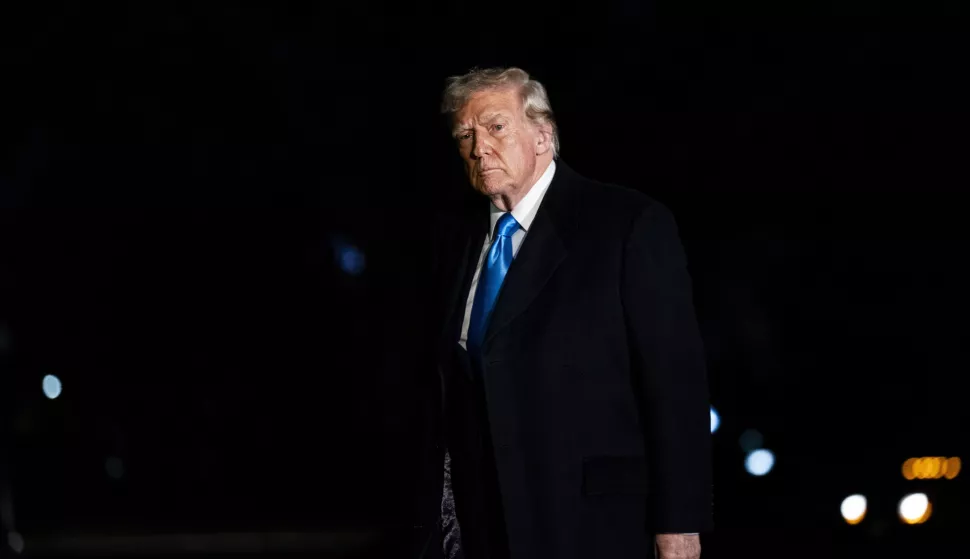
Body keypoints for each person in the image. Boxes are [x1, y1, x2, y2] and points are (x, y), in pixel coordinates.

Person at [418, 67, 712, 559]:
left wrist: (679, 523)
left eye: (495, 127)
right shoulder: (456, 241)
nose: (478, 147)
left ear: (543, 134)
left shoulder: (626, 224)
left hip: (593, 521)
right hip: (484, 524)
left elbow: (674, 383)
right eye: (464, 134)